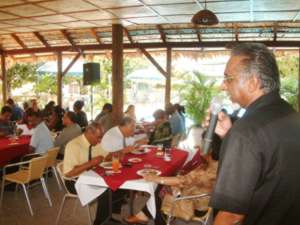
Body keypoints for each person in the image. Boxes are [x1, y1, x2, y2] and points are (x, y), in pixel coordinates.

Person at [208, 43, 300, 225]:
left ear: (253, 83)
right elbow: (270, 162)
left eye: (228, 78)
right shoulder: (290, 115)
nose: (222, 86)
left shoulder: (245, 132)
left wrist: (236, 138)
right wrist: (229, 136)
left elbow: (232, 216)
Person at [125, 145, 218, 225]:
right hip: (198, 195)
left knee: (161, 191)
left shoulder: (209, 171)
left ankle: (152, 218)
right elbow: (191, 180)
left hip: (195, 204)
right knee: (163, 187)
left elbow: (181, 180)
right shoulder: (215, 164)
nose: (200, 148)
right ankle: (144, 214)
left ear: (210, 150)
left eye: (203, 145)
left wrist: (156, 179)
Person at [63, 122, 125, 225]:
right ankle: (100, 222)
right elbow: (68, 173)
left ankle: (108, 216)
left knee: (118, 182)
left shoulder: (97, 143)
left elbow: (106, 156)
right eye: (98, 137)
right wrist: (91, 163)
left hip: (92, 176)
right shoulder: (73, 145)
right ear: (89, 133)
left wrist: (115, 154)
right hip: (74, 181)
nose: (100, 140)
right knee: (106, 189)